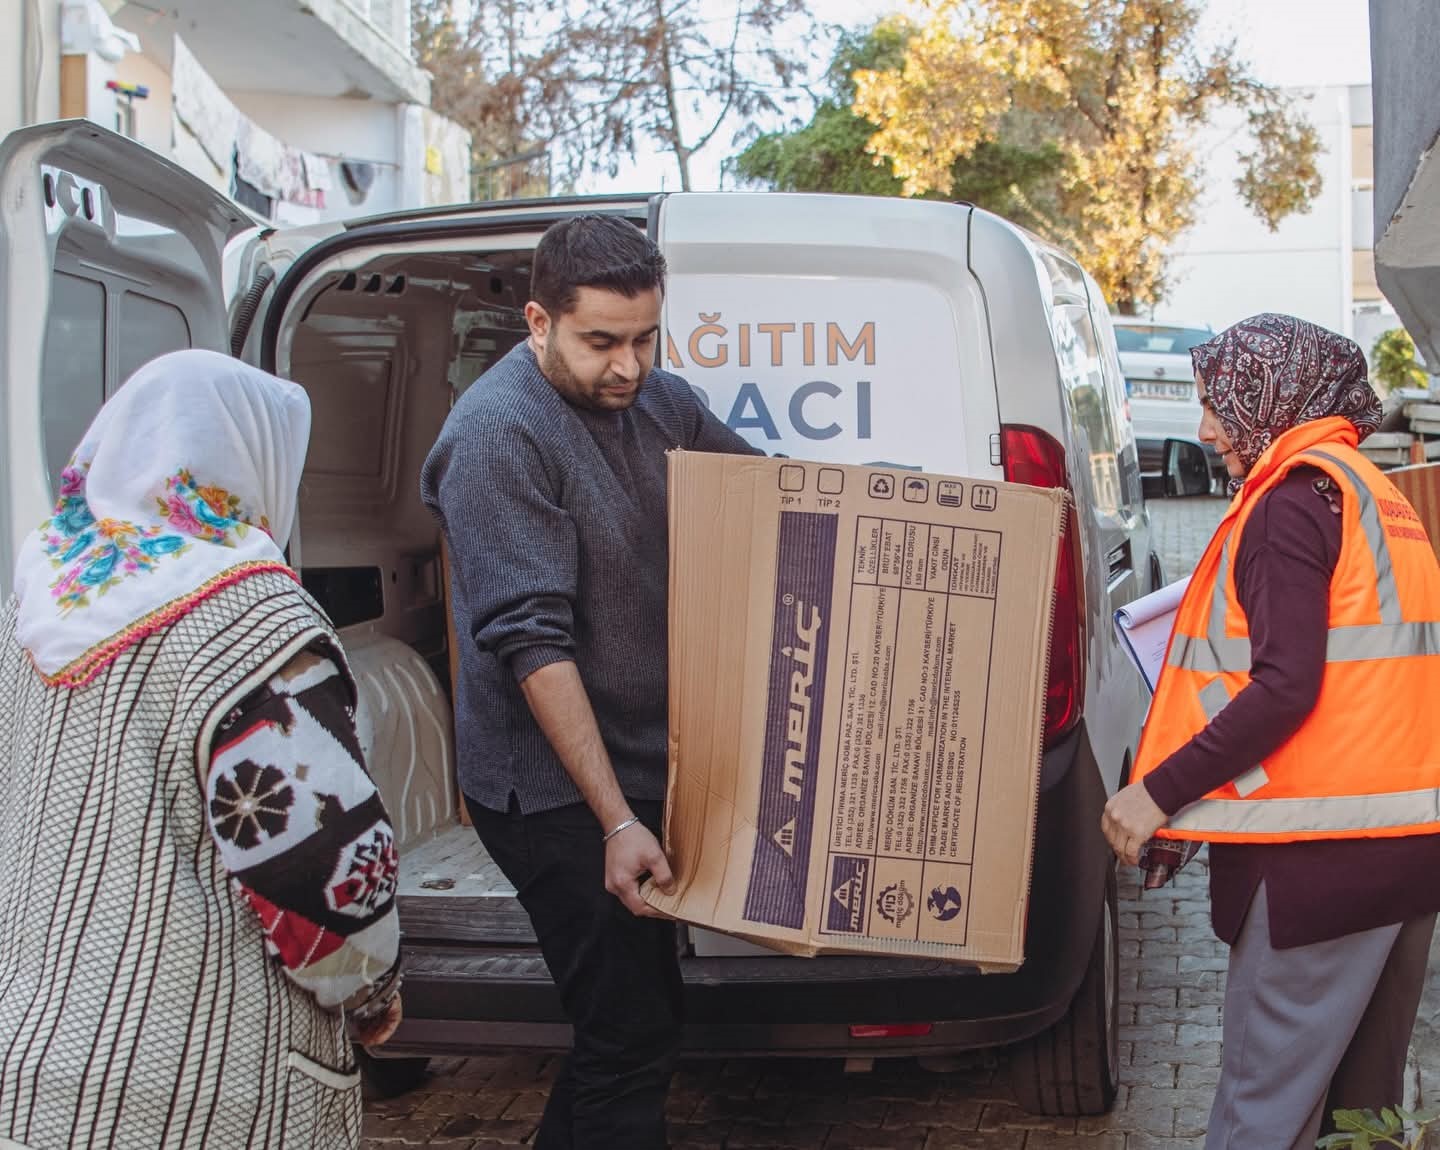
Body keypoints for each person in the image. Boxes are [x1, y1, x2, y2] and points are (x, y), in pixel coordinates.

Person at [0, 350, 403, 1150]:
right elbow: (318, 857)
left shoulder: (40, 601)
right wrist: (372, 988)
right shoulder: (252, 616)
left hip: (30, 1061)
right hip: (193, 1082)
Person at [421, 214, 758, 1149]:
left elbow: (765, 498)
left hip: (638, 764)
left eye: (646, 337)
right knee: (626, 1033)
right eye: (602, 341)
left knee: (635, 1027)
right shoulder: (497, 437)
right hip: (553, 788)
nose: (629, 366)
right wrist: (616, 820)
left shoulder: (661, 404)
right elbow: (535, 646)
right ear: (538, 322)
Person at [1101, 313, 1440, 1150]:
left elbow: (1287, 687)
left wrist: (1156, 793)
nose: (1206, 428)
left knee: (1264, 1113)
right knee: (1360, 1116)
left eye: (1220, 402)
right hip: (1404, 848)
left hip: (1318, 862)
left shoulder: (1288, 507)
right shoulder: (1371, 493)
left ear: (1274, 396)